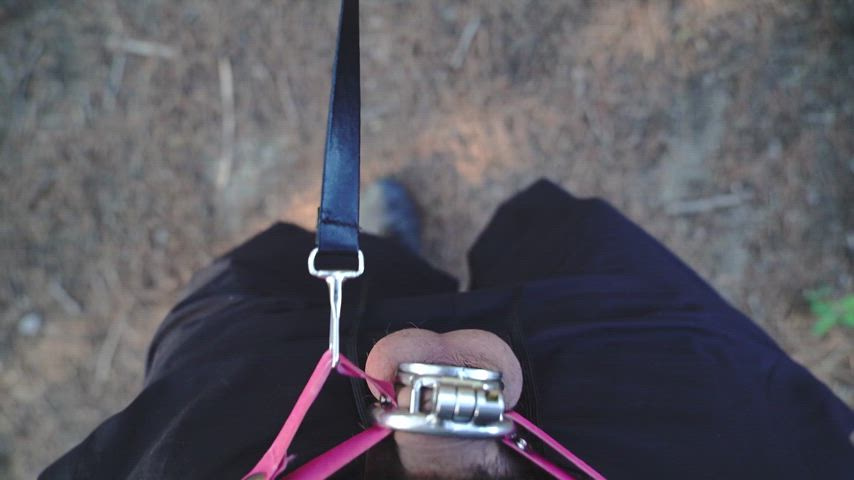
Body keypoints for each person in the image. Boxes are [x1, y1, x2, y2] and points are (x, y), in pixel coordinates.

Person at [41, 179, 854, 479]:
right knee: (575, 260)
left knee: (263, 297)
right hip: (672, 426)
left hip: (238, 422)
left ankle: (397, 261)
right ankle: (416, 266)